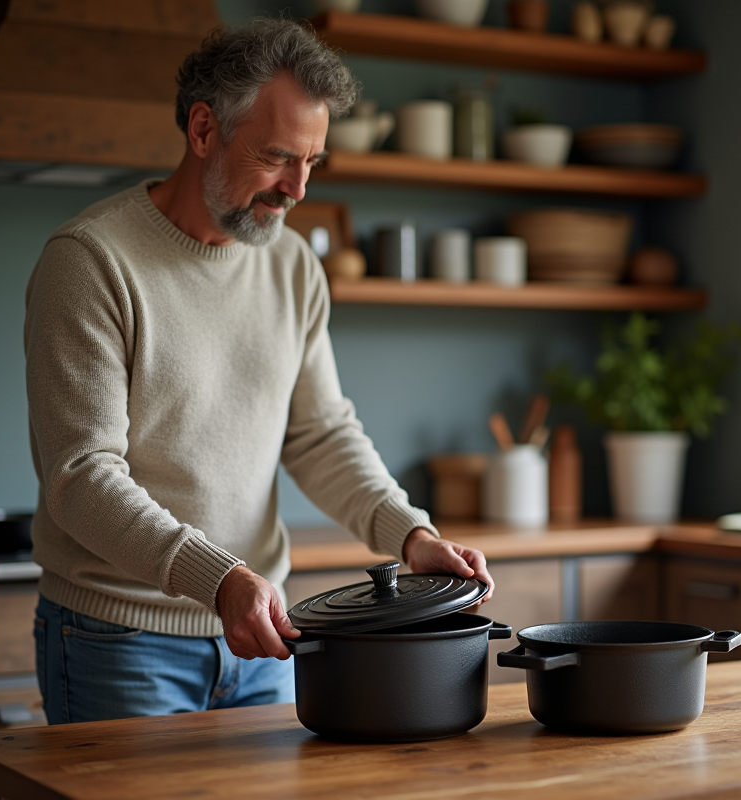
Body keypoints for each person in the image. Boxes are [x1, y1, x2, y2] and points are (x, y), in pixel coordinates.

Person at [25, 18, 494, 724]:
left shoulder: (293, 265)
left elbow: (321, 434)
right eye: (279, 157)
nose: (298, 189)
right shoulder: (91, 261)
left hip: (263, 643)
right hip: (119, 641)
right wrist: (218, 579)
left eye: (313, 161)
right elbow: (81, 477)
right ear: (204, 130)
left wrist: (411, 535)